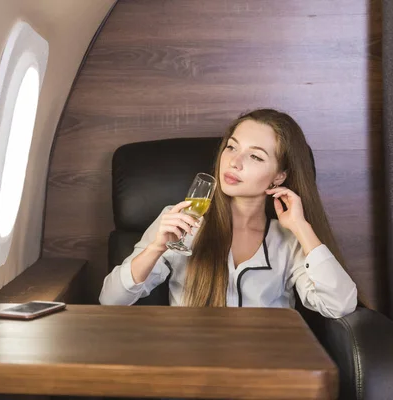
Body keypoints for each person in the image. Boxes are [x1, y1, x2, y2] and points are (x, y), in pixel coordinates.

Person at [99, 108, 358, 319]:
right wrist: (156, 248)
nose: (235, 161)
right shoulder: (179, 221)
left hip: (268, 373)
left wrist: (302, 228)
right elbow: (110, 300)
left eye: (255, 157)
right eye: (232, 147)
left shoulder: (288, 240)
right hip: (194, 371)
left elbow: (340, 304)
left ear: (278, 177)